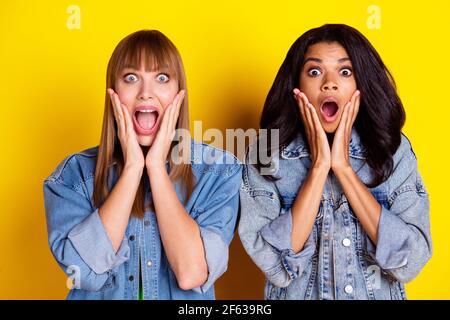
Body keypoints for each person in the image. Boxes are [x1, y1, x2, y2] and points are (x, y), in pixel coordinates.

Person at [44, 30, 241, 300]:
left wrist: (156, 168)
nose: (145, 94)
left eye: (161, 78)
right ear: (113, 93)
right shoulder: (73, 176)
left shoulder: (218, 171)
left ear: (178, 94)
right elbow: (85, 272)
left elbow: (191, 273)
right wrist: (134, 167)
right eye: (131, 78)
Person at [238, 24, 432, 300]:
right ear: (297, 86)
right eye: (314, 72)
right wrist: (319, 168)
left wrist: (342, 168)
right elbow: (278, 266)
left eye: (345, 71)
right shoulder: (265, 154)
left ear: (361, 84)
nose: (329, 82)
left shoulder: (393, 150)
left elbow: (410, 261)